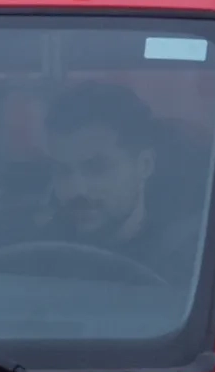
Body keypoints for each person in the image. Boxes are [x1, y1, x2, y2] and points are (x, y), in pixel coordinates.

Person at [36, 80, 187, 277]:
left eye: (97, 169)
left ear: (145, 165)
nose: (77, 190)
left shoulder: (186, 266)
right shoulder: (29, 256)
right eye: (62, 170)